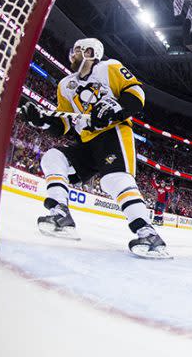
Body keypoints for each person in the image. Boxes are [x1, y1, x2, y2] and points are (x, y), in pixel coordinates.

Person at [21, 38, 169, 259]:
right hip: (86, 141)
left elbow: (137, 96)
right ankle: (60, 213)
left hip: (113, 134)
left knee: (114, 180)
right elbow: (64, 122)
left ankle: (147, 232)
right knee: (52, 157)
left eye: (77, 50)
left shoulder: (109, 68)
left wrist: (115, 109)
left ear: (90, 51)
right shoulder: (65, 85)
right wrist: (41, 121)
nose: (72, 54)